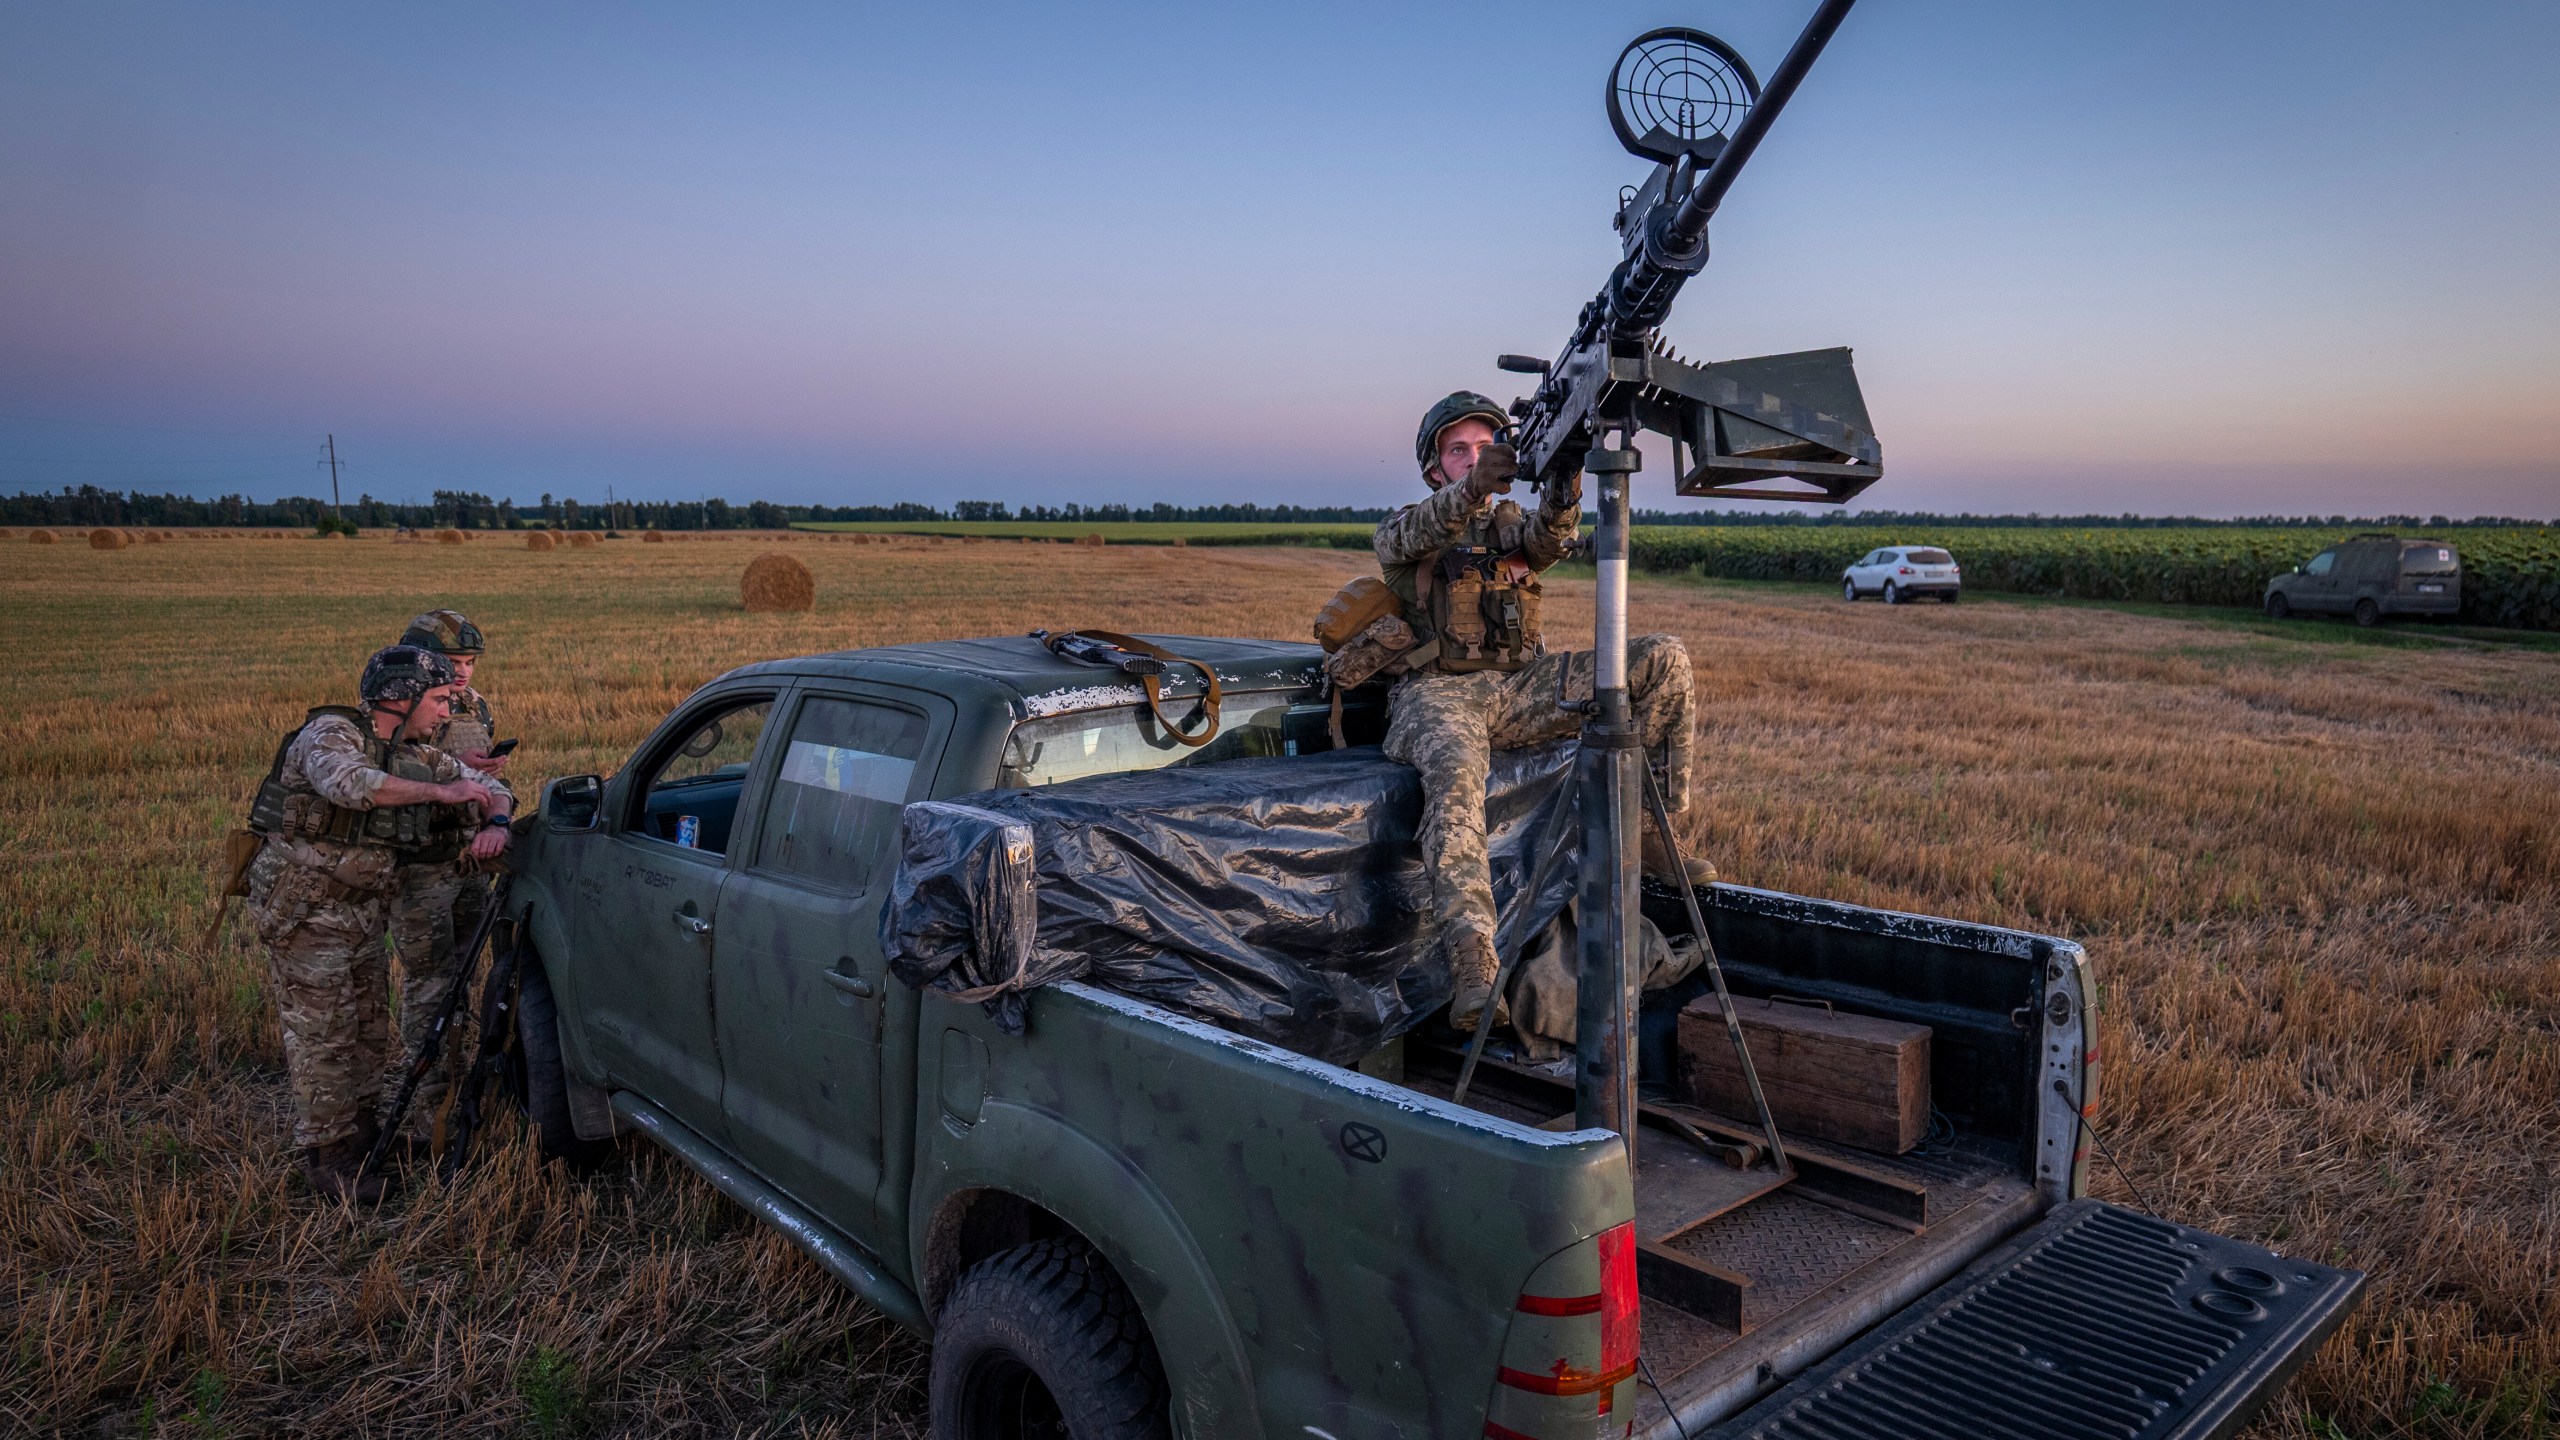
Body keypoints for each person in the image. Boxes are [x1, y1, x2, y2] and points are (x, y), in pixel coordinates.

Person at [1375, 392, 1709, 1032]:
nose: (1474, 458)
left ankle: (1649, 830)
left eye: (1485, 447)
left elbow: (1551, 539)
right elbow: (1423, 532)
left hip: (1519, 685)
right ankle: (1473, 963)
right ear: (1434, 468)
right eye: (1459, 450)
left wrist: (1563, 480)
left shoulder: (1510, 527)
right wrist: (1473, 488)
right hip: (1438, 692)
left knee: (1663, 659)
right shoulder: (1406, 526)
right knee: (1454, 787)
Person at [241, 644, 513, 1200]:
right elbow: (350, 785)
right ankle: (329, 1159)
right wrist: (446, 792)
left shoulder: (413, 751)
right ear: (398, 696)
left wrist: (498, 822)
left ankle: (361, 1141)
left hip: (362, 910)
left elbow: (491, 790)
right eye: (439, 700)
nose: (447, 713)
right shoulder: (332, 735)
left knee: (367, 1028)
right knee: (324, 1035)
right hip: (307, 908)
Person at [384, 609, 509, 1160]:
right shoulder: (396, 704)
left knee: (465, 972)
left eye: (468, 662)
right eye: (452, 662)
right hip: (421, 863)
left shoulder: (474, 705)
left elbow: (466, 772)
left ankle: (463, 1080)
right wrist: (455, 770)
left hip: (468, 861)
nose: (461, 673)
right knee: (430, 980)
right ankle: (428, 1103)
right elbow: (391, 769)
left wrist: (486, 777)